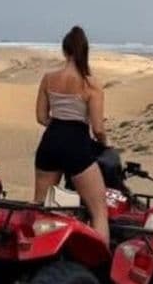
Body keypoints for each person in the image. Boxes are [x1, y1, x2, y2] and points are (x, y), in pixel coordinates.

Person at [34, 26, 109, 244]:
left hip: (51, 139)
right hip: (77, 144)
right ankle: (100, 268)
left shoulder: (48, 78)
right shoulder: (91, 84)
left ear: (64, 50)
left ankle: (38, 256)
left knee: (42, 207)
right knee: (99, 211)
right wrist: (104, 144)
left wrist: (58, 127)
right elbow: (98, 128)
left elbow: (41, 117)